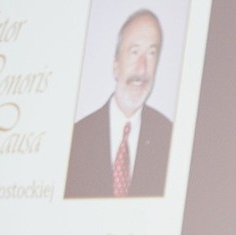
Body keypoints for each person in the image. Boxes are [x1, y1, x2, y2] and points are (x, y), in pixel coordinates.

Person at [64, 9, 172, 198]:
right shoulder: (75, 139)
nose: (142, 67)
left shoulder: (170, 137)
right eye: (134, 51)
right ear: (115, 65)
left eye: (151, 53)